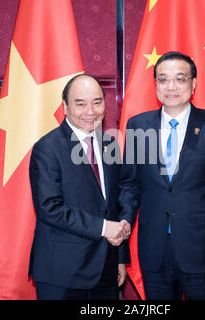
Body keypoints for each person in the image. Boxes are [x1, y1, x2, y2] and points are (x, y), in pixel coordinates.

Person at [119, 51, 205, 300]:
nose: (171, 87)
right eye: (163, 79)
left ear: (193, 84)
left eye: (180, 79)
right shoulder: (138, 126)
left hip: (202, 248)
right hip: (154, 249)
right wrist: (123, 226)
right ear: (156, 85)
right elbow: (130, 185)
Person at [28, 74, 130, 300]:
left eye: (97, 102)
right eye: (80, 104)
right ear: (65, 107)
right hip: (63, 273)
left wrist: (120, 256)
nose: (91, 111)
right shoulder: (47, 148)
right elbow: (49, 208)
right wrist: (104, 228)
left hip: (106, 270)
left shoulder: (109, 144)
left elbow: (112, 206)